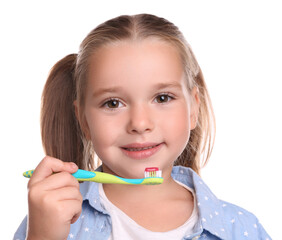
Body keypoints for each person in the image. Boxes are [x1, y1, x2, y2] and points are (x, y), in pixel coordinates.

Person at [14, 14, 271, 240]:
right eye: (113, 103)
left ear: (193, 109)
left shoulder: (240, 228)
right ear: (83, 120)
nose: (139, 123)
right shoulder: (49, 222)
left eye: (162, 98)